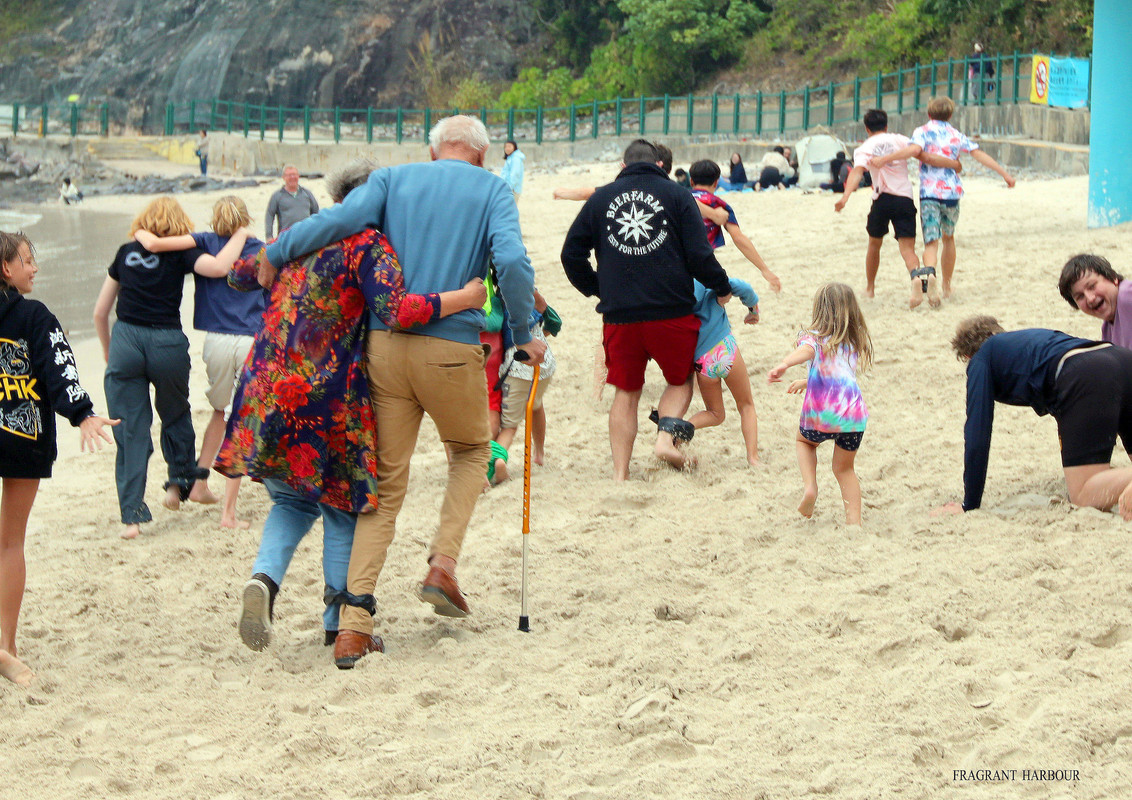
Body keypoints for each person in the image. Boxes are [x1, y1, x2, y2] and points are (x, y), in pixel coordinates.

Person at [260, 115, 544, 668]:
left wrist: (276, 252)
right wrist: (524, 330)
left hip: (386, 349)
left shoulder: (393, 178)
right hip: (450, 350)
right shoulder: (493, 190)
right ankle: (442, 564)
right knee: (471, 453)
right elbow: (511, 261)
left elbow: (337, 221)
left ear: (433, 151)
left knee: (385, 486)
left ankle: (354, 625)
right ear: (482, 155)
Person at [216, 160, 486, 652]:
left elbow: (239, 274)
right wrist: (465, 297)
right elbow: (397, 310)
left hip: (266, 387)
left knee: (290, 501)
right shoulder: (368, 245)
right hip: (324, 394)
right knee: (341, 509)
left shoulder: (296, 238)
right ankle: (336, 623)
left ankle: (264, 579)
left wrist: (270, 260)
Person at [562, 139, 733, 479]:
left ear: (623, 166)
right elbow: (699, 255)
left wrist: (598, 288)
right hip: (671, 311)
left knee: (626, 394)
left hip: (620, 315)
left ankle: (620, 474)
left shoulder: (601, 198)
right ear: (659, 165)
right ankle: (665, 441)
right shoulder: (677, 195)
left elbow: (570, 255)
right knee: (680, 380)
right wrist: (722, 286)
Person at [93, 197, 251, 540]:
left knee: (130, 429)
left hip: (125, 340)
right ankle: (176, 487)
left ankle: (132, 519)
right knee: (175, 415)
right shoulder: (183, 253)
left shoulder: (125, 252)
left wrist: (109, 351)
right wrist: (241, 234)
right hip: (166, 341)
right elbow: (219, 267)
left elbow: (100, 311)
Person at [0, 232, 117, 686]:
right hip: (21, 438)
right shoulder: (35, 316)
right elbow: (59, 368)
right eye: (27, 260)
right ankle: (6, 646)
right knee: (10, 543)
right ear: (6, 268)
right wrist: (82, 413)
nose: (34, 268)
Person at [133, 196, 267, 529]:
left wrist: (139, 233)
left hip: (215, 340)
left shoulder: (204, 241)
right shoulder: (261, 249)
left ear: (215, 218)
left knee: (220, 412)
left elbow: (154, 243)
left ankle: (200, 482)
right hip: (250, 338)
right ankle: (229, 514)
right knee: (242, 419)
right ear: (246, 219)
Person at [936, 316, 1132, 519]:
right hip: (1121, 358)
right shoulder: (1027, 340)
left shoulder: (981, 358)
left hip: (1085, 374)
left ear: (967, 355)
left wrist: (969, 504)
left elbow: (977, 431)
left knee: (1083, 493)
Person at [767, 283, 871, 524]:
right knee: (844, 470)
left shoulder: (812, 337)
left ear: (819, 310)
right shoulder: (853, 341)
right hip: (853, 415)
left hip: (822, 414)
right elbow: (838, 372)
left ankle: (810, 488)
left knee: (804, 442)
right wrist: (808, 381)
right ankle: (853, 523)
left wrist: (785, 363)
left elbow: (807, 351)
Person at [834, 108, 960, 308]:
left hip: (881, 200)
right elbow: (923, 155)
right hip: (904, 199)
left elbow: (857, 172)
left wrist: (845, 196)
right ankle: (915, 277)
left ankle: (870, 288)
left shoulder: (864, 148)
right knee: (907, 248)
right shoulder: (900, 140)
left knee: (874, 244)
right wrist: (953, 164)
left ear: (867, 129)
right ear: (886, 126)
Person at [900, 97, 1015, 299]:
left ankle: (931, 274)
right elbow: (978, 154)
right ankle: (946, 286)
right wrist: (1004, 174)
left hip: (929, 194)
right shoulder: (955, 135)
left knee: (931, 242)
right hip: (951, 194)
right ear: (950, 115)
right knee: (949, 238)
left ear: (929, 113)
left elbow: (915, 150)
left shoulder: (922, 131)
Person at [489, 288, 556, 485]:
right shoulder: (527, 295)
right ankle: (539, 453)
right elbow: (546, 320)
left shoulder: (499, 304)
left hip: (517, 368)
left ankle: (499, 459)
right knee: (536, 404)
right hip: (544, 364)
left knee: (509, 426)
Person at [1058, 254, 1132, 347]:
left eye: (1092, 286)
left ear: (1113, 278)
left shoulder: (1127, 295)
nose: (1090, 298)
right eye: (1080, 296)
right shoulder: (1107, 329)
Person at [264, 165, 319, 239]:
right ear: (283, 177)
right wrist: (269, 236)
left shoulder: (307, 193)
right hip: (286, 238)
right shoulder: (277, 196)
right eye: (289, 175)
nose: (292, 177)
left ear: (298, 176)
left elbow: (316, 214)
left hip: (306, 237)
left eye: (294, 174)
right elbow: (269, 216)